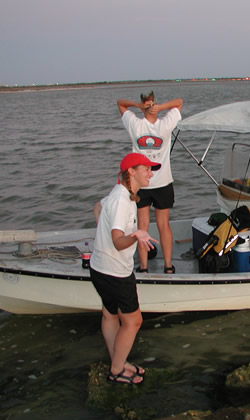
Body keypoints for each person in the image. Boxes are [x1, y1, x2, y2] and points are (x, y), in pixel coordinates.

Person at [90, 152, 160, 384]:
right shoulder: (122, 201)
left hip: (99, 267)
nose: (150, 174)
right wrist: (136, 235)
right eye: (146, 169)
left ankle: (117, 362)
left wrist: (102, 228)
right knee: (133, 321)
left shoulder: (119, 193)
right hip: (116, 273)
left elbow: (97, 207)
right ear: (131, 172)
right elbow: (118, 242)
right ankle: (116, 371)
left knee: (110, 315)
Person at [117, 91, 183, 274]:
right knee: (150, 226)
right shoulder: (144, 124)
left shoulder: (154, 124)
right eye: (149, 105)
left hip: (156, 183)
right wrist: (149, 107)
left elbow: (179, 101)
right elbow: (120, 102)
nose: (151, 107)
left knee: (156, 225)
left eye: (150, 104)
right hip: (146, 185)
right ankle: (153, 266)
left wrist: (153, 107)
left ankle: (158, 266)